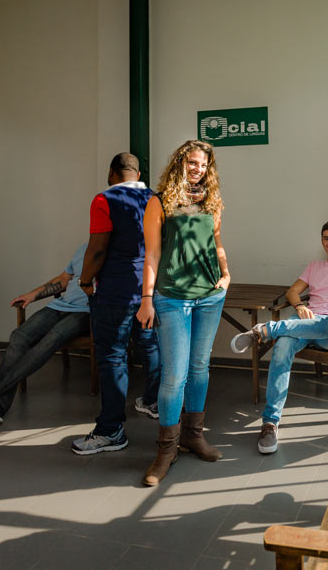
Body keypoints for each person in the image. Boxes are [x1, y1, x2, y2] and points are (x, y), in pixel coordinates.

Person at [231, 221, 328, 454]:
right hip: (305, 325)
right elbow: (292, 291)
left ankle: (266, 330)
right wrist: (299, 305)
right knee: (283, 346)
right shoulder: (314, 266)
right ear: (322, 241)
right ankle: (270, 423)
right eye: (326, 238)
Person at [137, 140, 231, 486]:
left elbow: (217, 243)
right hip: (171, 296)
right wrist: (147, 299)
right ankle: (166, 449)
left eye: (204, 165)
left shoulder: (211, 202)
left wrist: (226, 273)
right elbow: (151, 255)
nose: (198, 169)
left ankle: (193, 435)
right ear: (180, 163)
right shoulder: (159, 202)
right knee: (174, 376)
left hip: (209, 295)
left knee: (200, 368)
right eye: (192, 163)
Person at [72, 153, 162, 455]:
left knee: (112, 357)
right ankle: (153, 401)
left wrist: (85, 280)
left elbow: (96, 249)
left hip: (115, 292)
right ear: (138, 173)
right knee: (149, 345)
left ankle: (111, 430)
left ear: (112, 172)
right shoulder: (155, 198)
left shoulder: (104, 200)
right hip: (148, 290)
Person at [0, 243, 91, 426]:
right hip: (60, 306)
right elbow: (64, 278)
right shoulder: (84, 248)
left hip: (87, 312)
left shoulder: (115, 251)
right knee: (19, 336)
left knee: (53, 337)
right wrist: (33, 295)